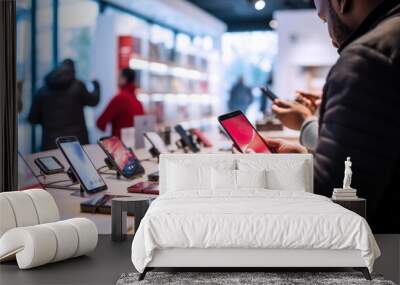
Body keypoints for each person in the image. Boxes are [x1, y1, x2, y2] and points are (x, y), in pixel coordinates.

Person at [266, 0, 400, 233]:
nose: (330, 37)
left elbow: (336, 200)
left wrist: (274, 177)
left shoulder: (365, 60)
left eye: (325, 19)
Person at [28, 59, 100, 151]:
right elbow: (93, 101)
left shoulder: (43, 90)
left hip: (51, 142)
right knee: (78, 165)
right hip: (76, 142)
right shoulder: (78, 86)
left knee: (53, 165)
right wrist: (96, 85)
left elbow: (33, 118)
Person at [96, 68, 144, 139]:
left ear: (124, 79)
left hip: (120, 146)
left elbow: (100, 123)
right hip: (136, 145)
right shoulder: (138, 102)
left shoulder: (119, 99)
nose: (117, 80)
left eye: (119, 77)